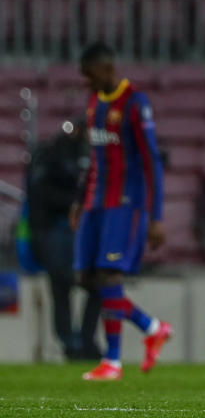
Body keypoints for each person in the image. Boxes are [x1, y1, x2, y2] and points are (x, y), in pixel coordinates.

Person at [70, 42, 171, 381]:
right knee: (85, 278)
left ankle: (112, 361)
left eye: (90, 75)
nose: (86, 82)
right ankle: (152, 327)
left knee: (110, 276)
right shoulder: (94, 102)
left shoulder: (135, 103)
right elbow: (93, 156)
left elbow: (152, 161)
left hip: (126, 203)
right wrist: (78, 200)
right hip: (95, 202)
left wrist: (156, 216)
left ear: (106, 69)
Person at [25, 119, 101, 360]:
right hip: (57, 229)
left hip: (77, 231)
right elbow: (40, 194)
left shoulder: (86, 155)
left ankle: (83, 340)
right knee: (63, 285)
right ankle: (72, 342)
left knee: (96, 284)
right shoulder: (52, 156)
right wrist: (75, 202)